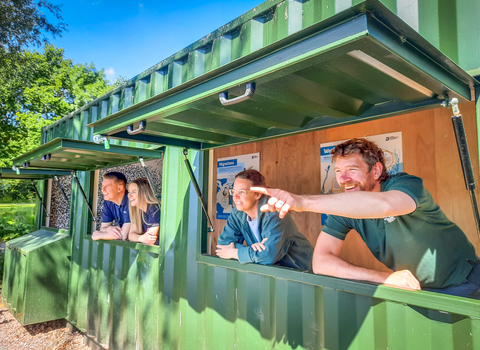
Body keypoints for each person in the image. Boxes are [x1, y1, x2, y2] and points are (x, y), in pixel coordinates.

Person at [252, 138, 480, 298]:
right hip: (416, 290)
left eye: (351, 169)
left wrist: (302, 202)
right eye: (338, 172)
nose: (343, 179)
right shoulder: (344, 207)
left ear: (377, 171)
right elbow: (321, 263)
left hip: (466, 281)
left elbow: (384, 205)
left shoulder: (406, 184)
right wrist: (385, 278)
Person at [216, 169, 314, 271]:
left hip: (301, 272)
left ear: (257, 194)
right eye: (233, 191)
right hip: (274, 273)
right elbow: (222, 246)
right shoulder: (237, 213)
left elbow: (268, 256)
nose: (235, 197)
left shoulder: (274, 213)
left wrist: (233, 252)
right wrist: (251, 250)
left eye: (242, 192)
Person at [92, 172, 131, 241]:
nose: (102, 190)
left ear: (120, 188)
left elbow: (123, 235)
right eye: (102, 186)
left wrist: (98, 235)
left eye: (107, 186)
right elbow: (103, 228)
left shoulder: (132, 200)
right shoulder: (108, 202)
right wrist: (109, 228)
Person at [127, 178, 160, 246]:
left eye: (134, 192)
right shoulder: (137, 210)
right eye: (129, 192)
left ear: (144, 193)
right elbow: (130, 236)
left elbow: (150, 240)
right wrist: (141, 238)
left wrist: (139, 238)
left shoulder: (155, 208)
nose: (129, 196)